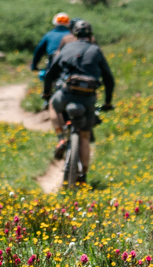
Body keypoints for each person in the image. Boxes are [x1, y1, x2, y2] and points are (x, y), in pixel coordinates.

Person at [42, 19, 114, 184]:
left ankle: (60, 136)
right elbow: (109, 78)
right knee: (84, 136)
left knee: (53, 104)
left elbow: (51, 73)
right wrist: (108, 102)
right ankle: (84, 175)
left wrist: (46, 93)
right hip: (88, 98)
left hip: (67, 94)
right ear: (90, 34)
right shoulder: (96, 50)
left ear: (74, 33)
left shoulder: (67, 47)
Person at [31, 13, 76, 106]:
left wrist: (34, 65)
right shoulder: (71, 35)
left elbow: (38, 51)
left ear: (54, 23)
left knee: (49, 75)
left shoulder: (49, 35)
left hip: (54, 60)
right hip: (70, 62)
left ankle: (47, 98)